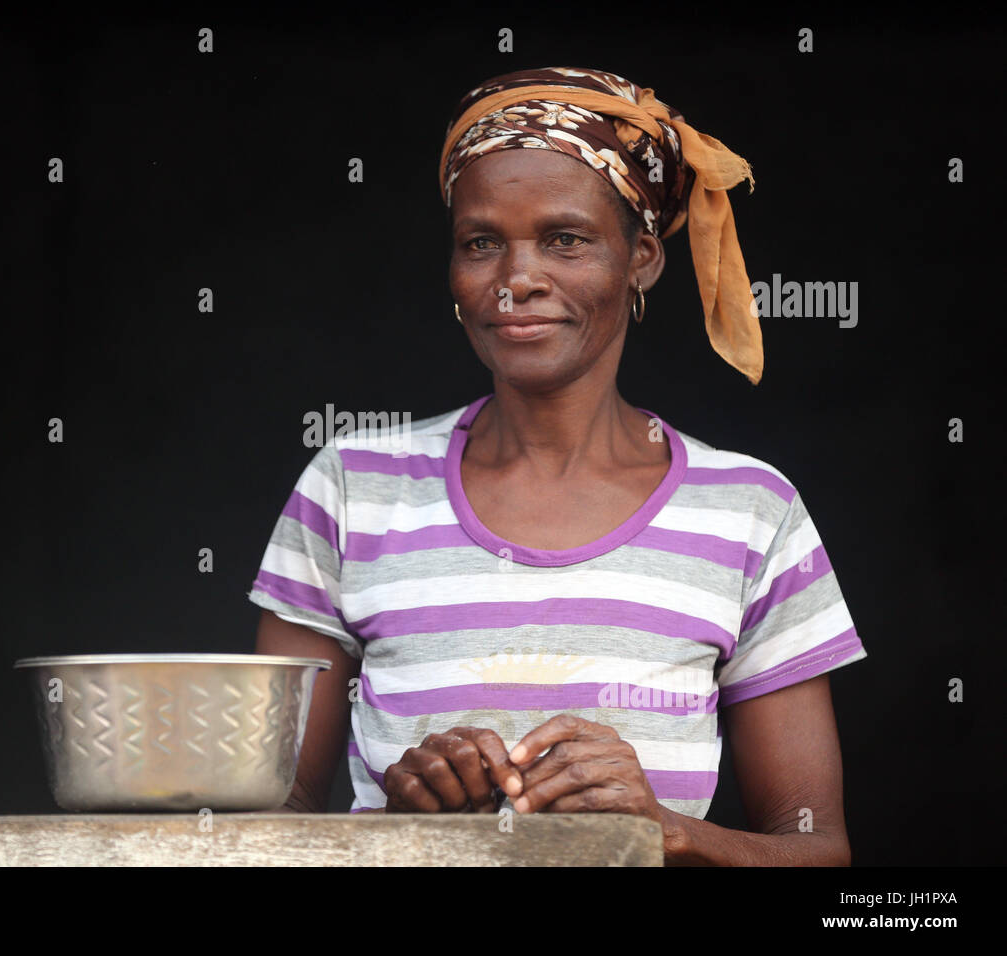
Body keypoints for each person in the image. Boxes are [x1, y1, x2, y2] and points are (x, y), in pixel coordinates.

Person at [248, 67, 866, 866]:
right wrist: (401, 830)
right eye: (481, 243)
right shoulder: (353, 489)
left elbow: (818, 851)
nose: (517, 281)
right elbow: (261, 830)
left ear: (642, 258)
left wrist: (665, 834)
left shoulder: (751, 511)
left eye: (565, 239)